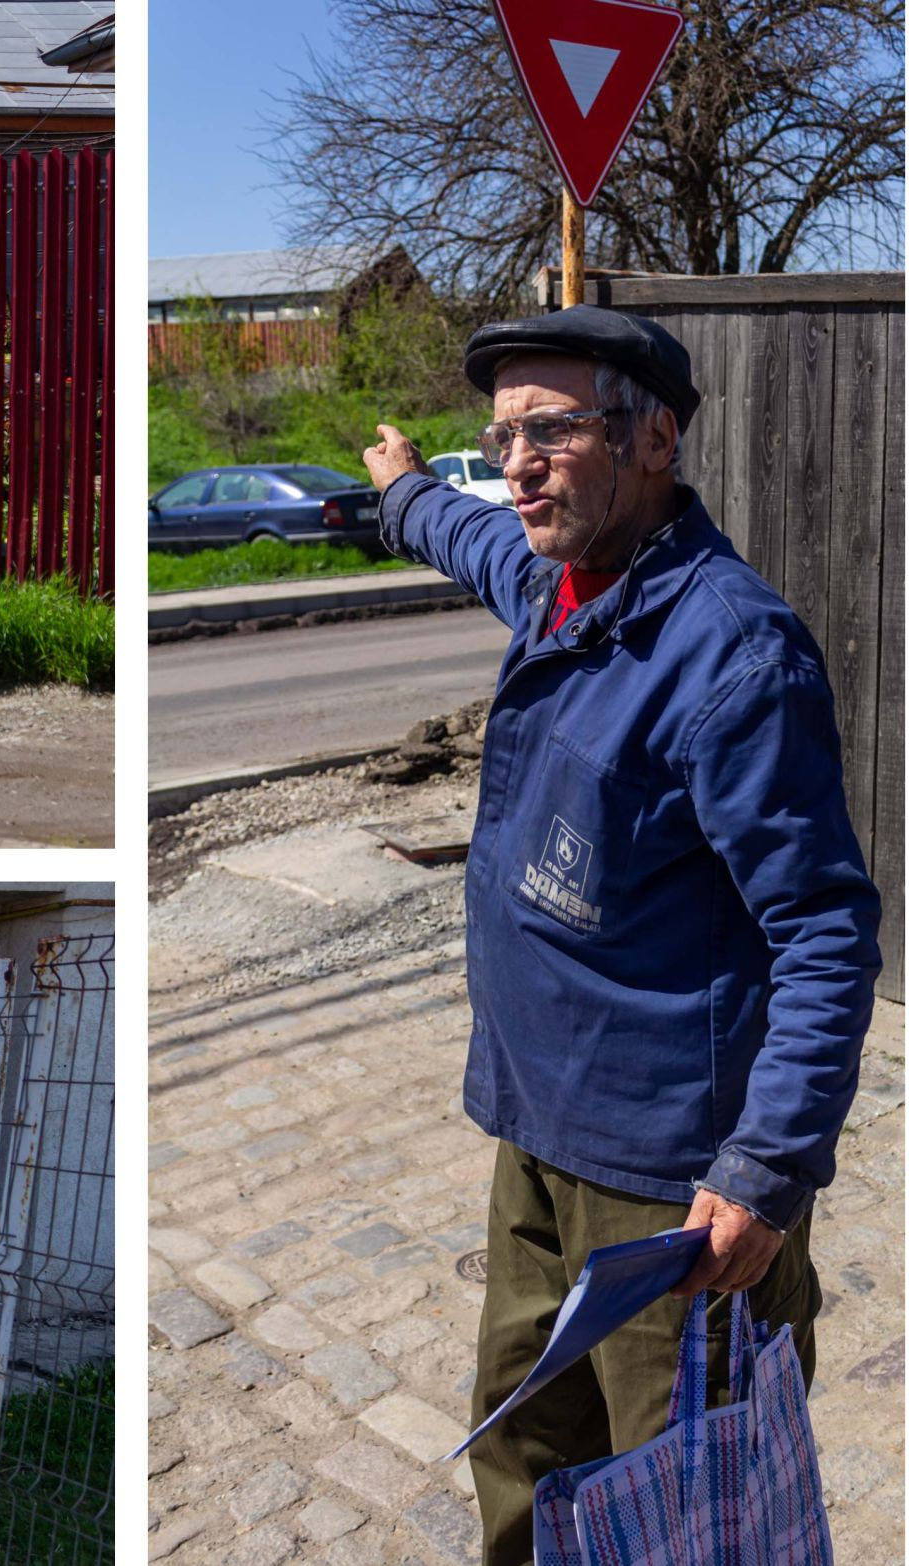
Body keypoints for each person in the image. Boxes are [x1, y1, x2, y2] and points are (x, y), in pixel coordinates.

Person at [360, 304, 881, 1566]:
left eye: (550, 429)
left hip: (669, 1190)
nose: (517, 464)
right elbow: (466, 535)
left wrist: (762, 1171)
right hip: (536, 1132)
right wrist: (402, 489)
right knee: (522, 1447)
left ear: (652, 438)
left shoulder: (732, 658)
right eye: (502, 436)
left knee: (683, 1505)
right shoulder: (554, 586)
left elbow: (823, 931)